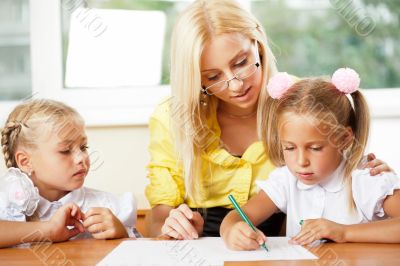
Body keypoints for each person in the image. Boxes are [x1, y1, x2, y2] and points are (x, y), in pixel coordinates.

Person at [145, 0, 392, 239]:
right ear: (196, 79)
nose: (236, 85)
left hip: (282, 239)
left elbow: (342, 161)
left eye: (241, 63)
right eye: (213, 77)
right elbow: (157, 218)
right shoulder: (173, 118)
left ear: (258, 44)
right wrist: (174, 226)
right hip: (200, 240)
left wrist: (378, 179)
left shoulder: (297, 103)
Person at [220, 68, 400, 250]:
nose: (301, 162)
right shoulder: (285, 180)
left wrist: (343, 232)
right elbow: (237, 217)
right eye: (289, 148)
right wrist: (231, 231)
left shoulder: (366, 179)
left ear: (344, 138)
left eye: (315, 148)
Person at [0, 99, 136, 248]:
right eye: (65, 150)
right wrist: (49, 230)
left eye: (83, 147)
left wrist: (121, 233)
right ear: (26, 162)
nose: (81, 158)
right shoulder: (6, 205)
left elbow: (138, 254)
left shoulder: (107, 207)